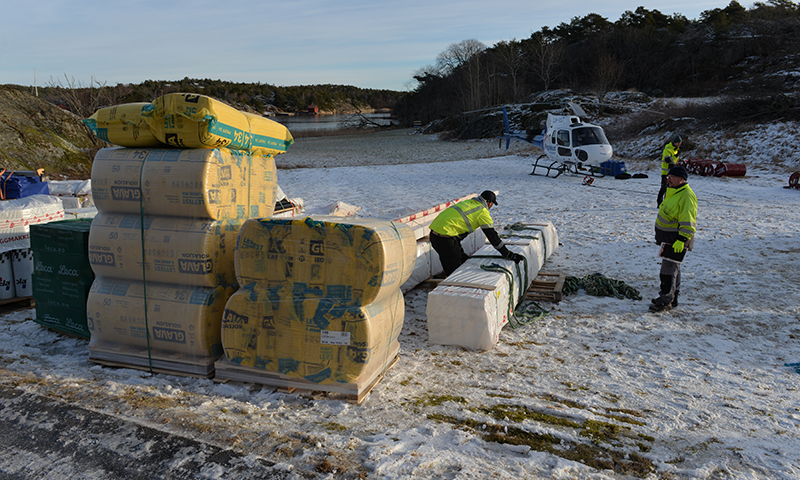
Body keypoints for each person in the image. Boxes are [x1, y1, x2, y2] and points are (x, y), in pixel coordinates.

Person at [429, 190, 524, 276]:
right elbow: (493, 238)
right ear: (489, 203)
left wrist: (461, 253)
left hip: (434, 235)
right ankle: (450, 289)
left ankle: (448, 280)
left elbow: (454, 228)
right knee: (454, 272)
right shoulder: (482, 212)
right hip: (446, 239)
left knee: (449, 262)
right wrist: (508, 254)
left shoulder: (468, 202)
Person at [650, 165, 697, 313]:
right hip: (670, 238)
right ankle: (673, 297)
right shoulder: (674, 191)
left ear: (681, 179)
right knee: (674, 268)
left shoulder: (687, 196)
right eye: (667, 177)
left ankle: (665, 301)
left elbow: (688, 221)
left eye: (671, 177)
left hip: (677, 239)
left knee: (667, 271)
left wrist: (682, 239)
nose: (667, 179)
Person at [657, 135, 682, 206]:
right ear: (674, 142)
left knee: (670, 189)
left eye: (680, 143)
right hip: (665, 173)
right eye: (678, 143)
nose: (679, 145)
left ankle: (666, 203)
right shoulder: (667, 150)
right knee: (664, 188)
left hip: (673, 174)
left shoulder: (676, 150)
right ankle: (660, 203)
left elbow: (675, 163)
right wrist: (676, 156)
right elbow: (668, 160)